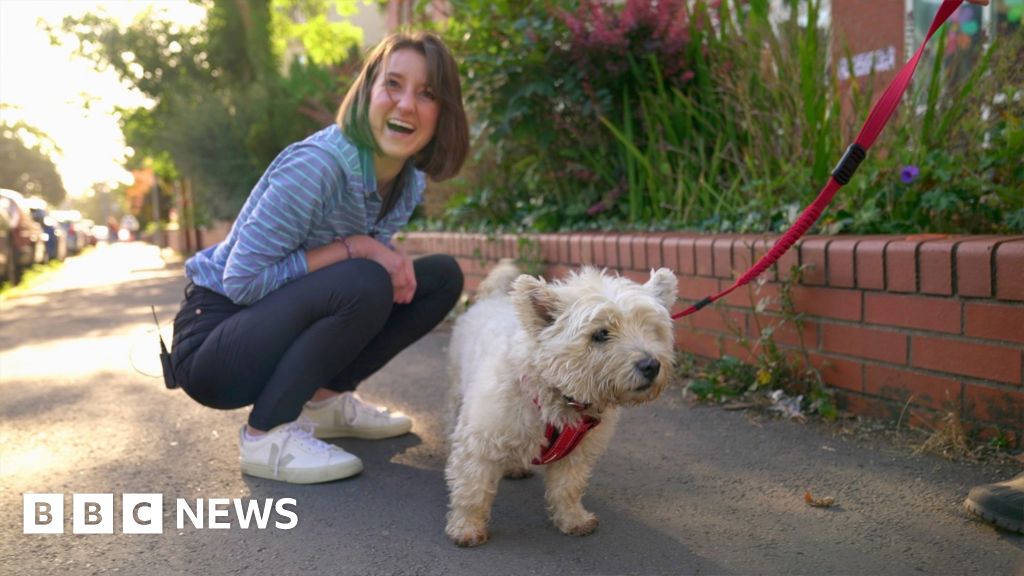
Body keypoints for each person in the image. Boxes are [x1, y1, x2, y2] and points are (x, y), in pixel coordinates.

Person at [169, 32, 469, 484]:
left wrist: (382, 257)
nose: (406, 105)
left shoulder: (408, 183)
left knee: (440, 277)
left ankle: (324, 401)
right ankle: (264, 436)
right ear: (367, 91)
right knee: (366, 278)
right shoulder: (319, 166)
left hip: (272, 323)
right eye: (393, 84)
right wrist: (363, 248)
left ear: (443, 114)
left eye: (427, 94)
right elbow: (242, 283)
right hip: (216, 343)